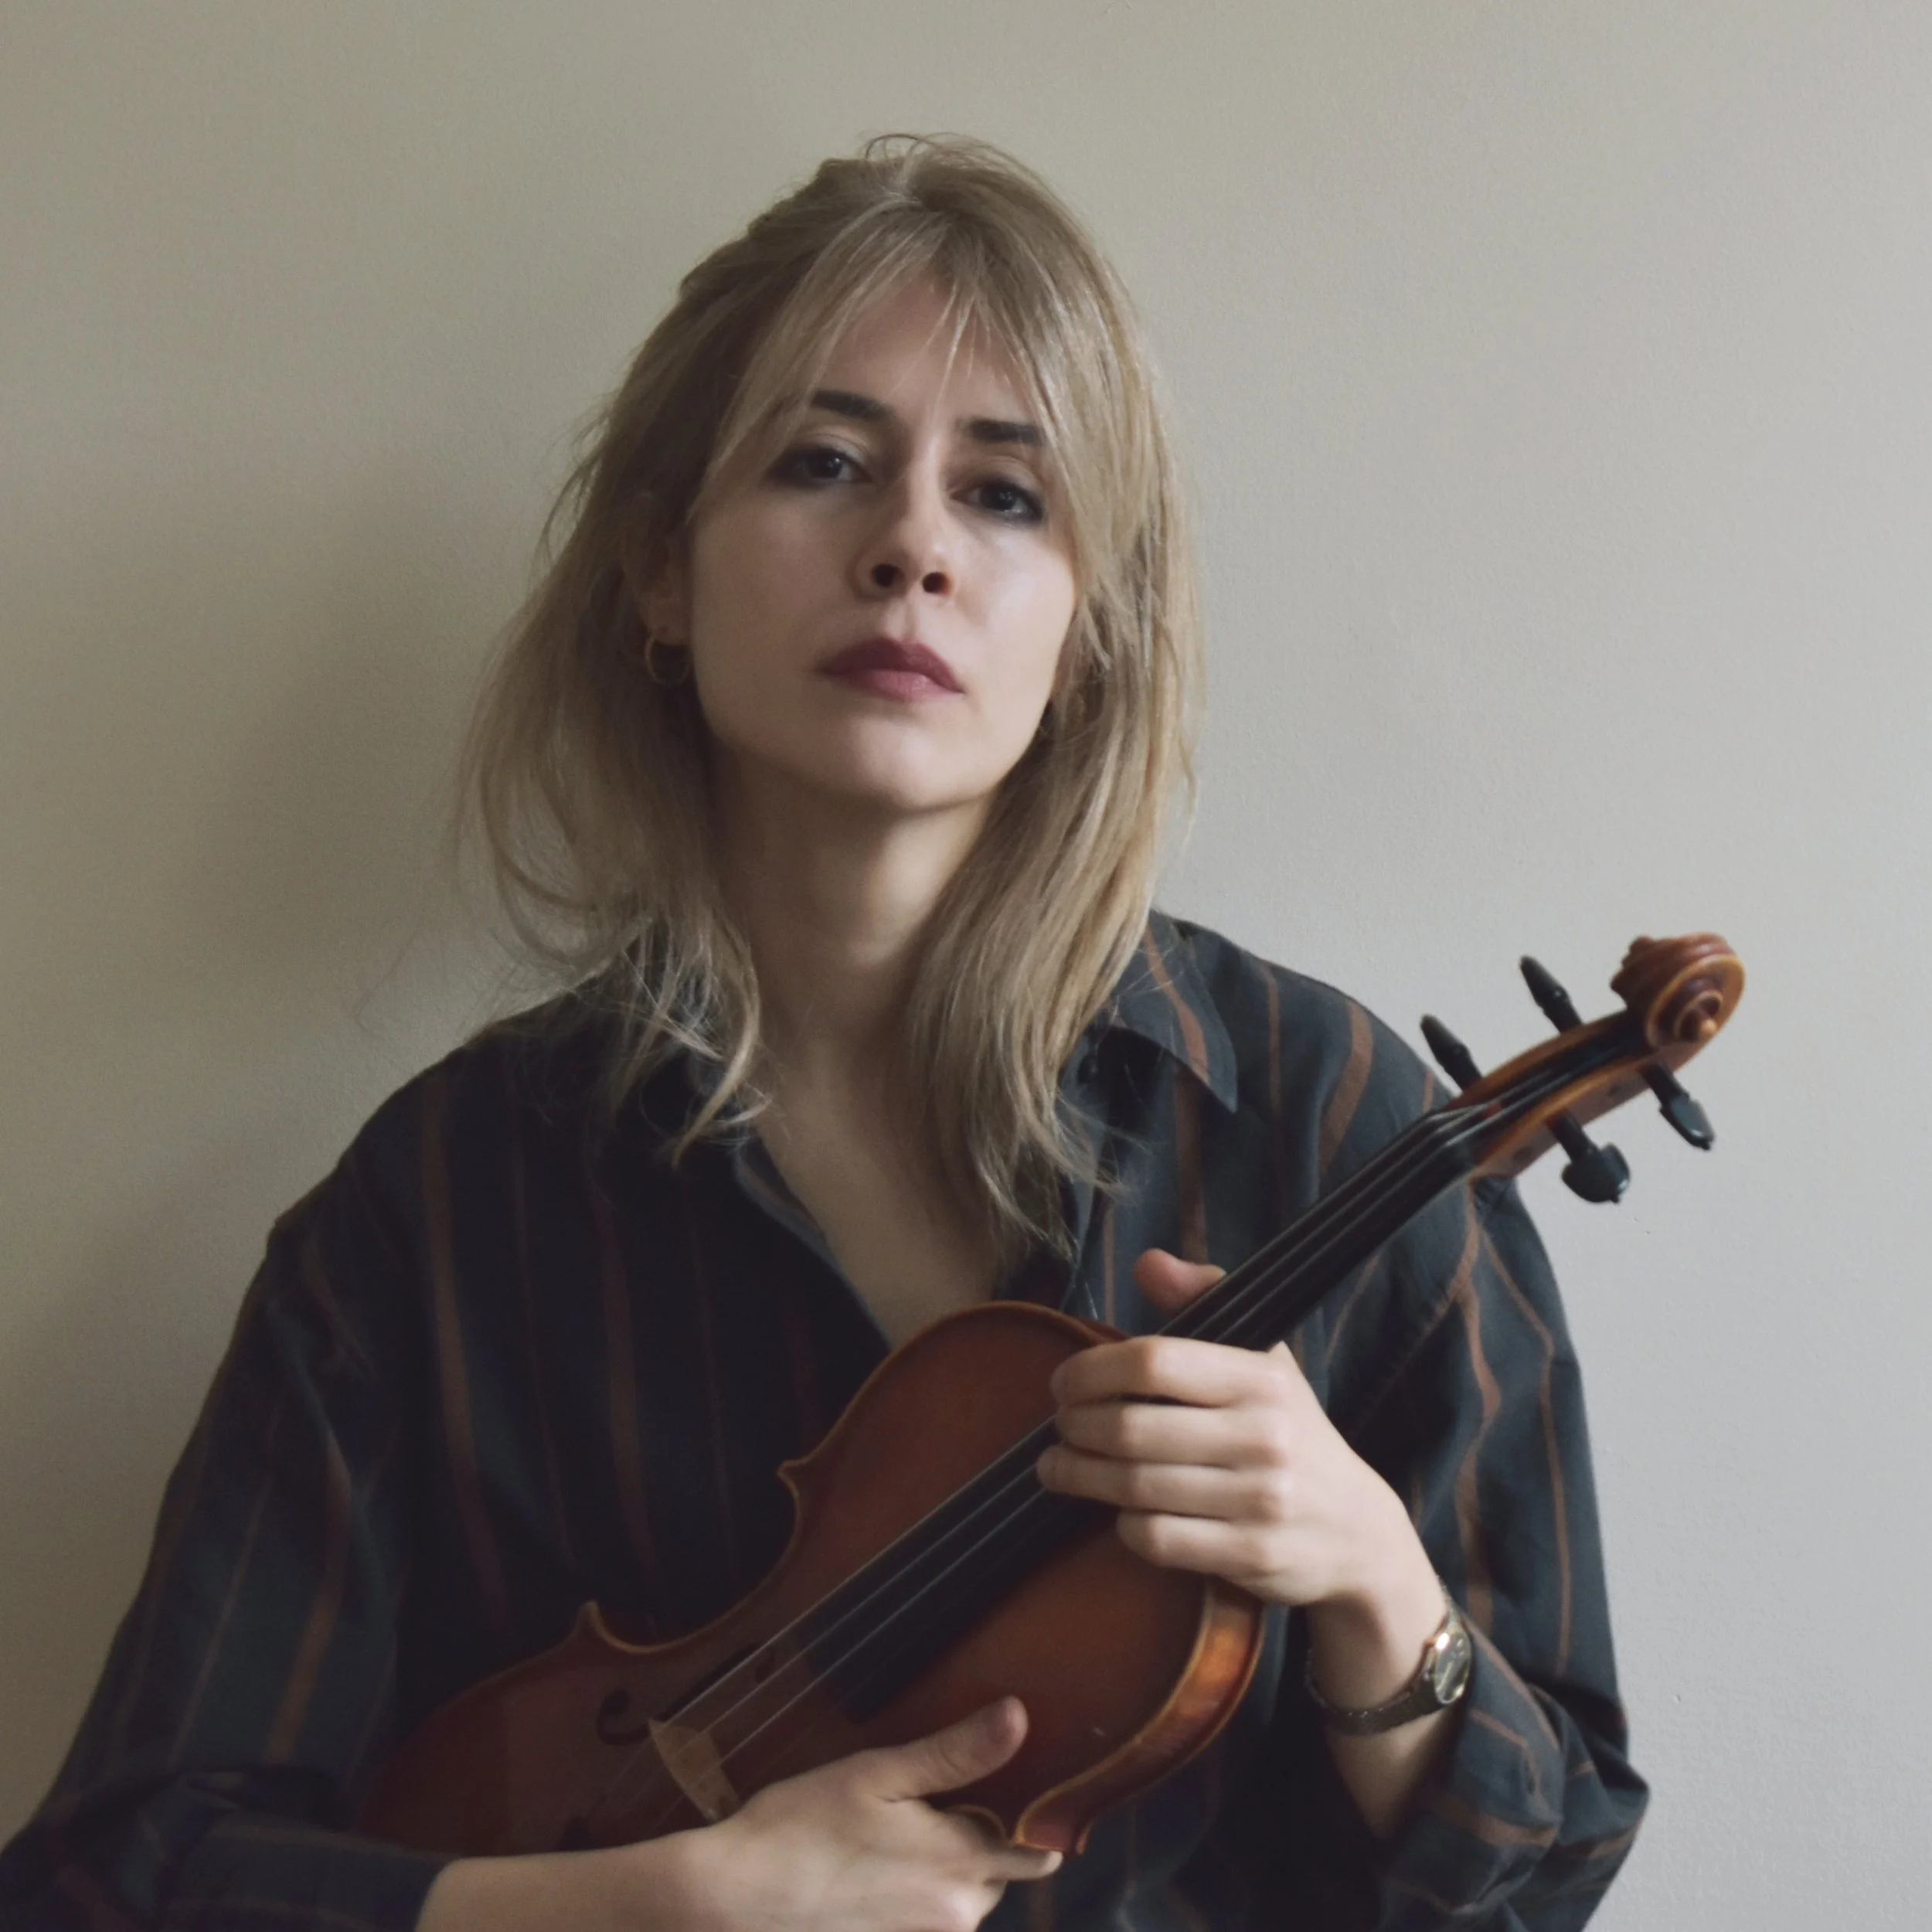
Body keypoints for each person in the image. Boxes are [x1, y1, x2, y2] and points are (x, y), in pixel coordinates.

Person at [0, 137, 1646, 1930]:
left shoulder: (1326, 1120)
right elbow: (116, 1872)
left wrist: (1365, 1580)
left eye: (1007, 496)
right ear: (660, 575)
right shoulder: (447, 1202)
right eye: (823, 463)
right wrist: (628, 1909)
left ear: (1085, 632)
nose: (912, 548)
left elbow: (1544, 1871)